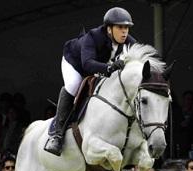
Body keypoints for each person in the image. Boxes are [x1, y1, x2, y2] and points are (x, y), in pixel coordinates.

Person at [44, 7, 136, 156]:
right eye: (120, 27)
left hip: (99, 68)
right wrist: (110, 66)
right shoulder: (92, 37)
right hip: (75, 63)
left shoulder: (129, 42)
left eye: (126, 27)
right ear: (109, 29)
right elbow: (87, 64)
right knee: (73, 85)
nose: (124, 31)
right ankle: (57, 135)